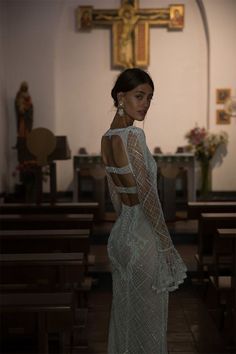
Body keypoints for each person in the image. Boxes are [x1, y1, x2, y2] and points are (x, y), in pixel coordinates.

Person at [101, 68, 187, 354]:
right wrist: (166, 246)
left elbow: (115, 193)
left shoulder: (106, 138)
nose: (145, 104)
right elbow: (149, 197)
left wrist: (125, 223)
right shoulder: (134, 138)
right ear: (120, 96)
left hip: (120, 237)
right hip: (143, 240)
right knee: (150, 325)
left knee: (124, 318)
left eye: (149, 98)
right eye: (139, 96)